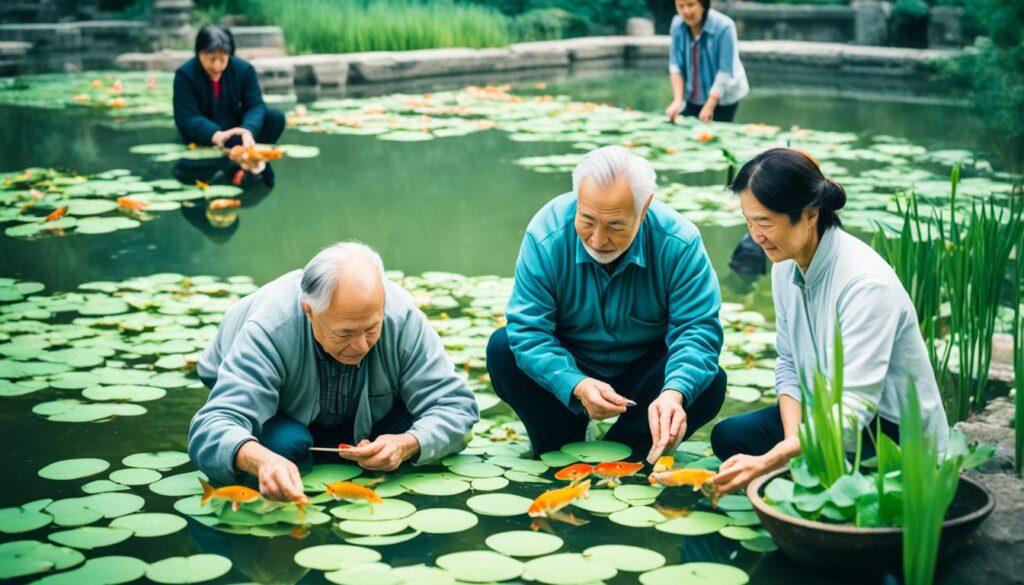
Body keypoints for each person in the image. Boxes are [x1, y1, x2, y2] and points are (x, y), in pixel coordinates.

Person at [708, 148, 950, 494]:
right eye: (749, 221)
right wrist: (791, 445)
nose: (755, 236)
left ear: (809, 214)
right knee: (731, 437)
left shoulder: (865, 284)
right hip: (824, 417)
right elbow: (789, 363)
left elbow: (853, 415)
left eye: (764, 222)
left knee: (810, 475)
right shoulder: (783, 266)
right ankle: (803, 465)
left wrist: (771, 460)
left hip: (891, 435)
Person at [487, 146, 727, 463]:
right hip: (570, 364)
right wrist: (574, 383)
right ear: (577, 201)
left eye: (615, 226)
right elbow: (528, 330)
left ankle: (631, 452)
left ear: (644, 210)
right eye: (586, 220)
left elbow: (697, 330)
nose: (598, 240)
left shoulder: (680, 243)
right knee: (503, 348)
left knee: (708, 383)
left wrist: (674, 393)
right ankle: (558, 441)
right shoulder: (546, 233)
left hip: (644, 373)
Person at [188, 242, 480, 502]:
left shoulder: (401, 315)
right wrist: (260, 460)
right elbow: (212, 426)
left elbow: (456, 408)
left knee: (412, 429)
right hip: (281, 413)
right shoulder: (271, 328)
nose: (361, 345)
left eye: (372, 329)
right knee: (284, 445)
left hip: (370, 414)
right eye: (345, 333)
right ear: (309, 310)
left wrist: (407, 444)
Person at [173, 25, 285, 151]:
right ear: (199, 53)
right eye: (211, 59)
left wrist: (247, 131)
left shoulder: (244, 70)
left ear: (230, 54)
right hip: (205, 135)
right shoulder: (185, 75)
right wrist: (216, 135)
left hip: (236, 132)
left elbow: (255, 106)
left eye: (222, 59)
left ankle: (251, 160)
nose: (216, 66)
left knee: (274, 118)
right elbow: (187, 116)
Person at [664, 0, 749, 124]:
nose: (686, 11)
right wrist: (678, 100)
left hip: (724, 95)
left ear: (703, 5)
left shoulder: (725, 27)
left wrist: (709, 105)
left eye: (691, 5)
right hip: (694, 93)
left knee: (716, 134)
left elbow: (725, 71)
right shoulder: (677, 25)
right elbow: (675, 65)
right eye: (680, 6)